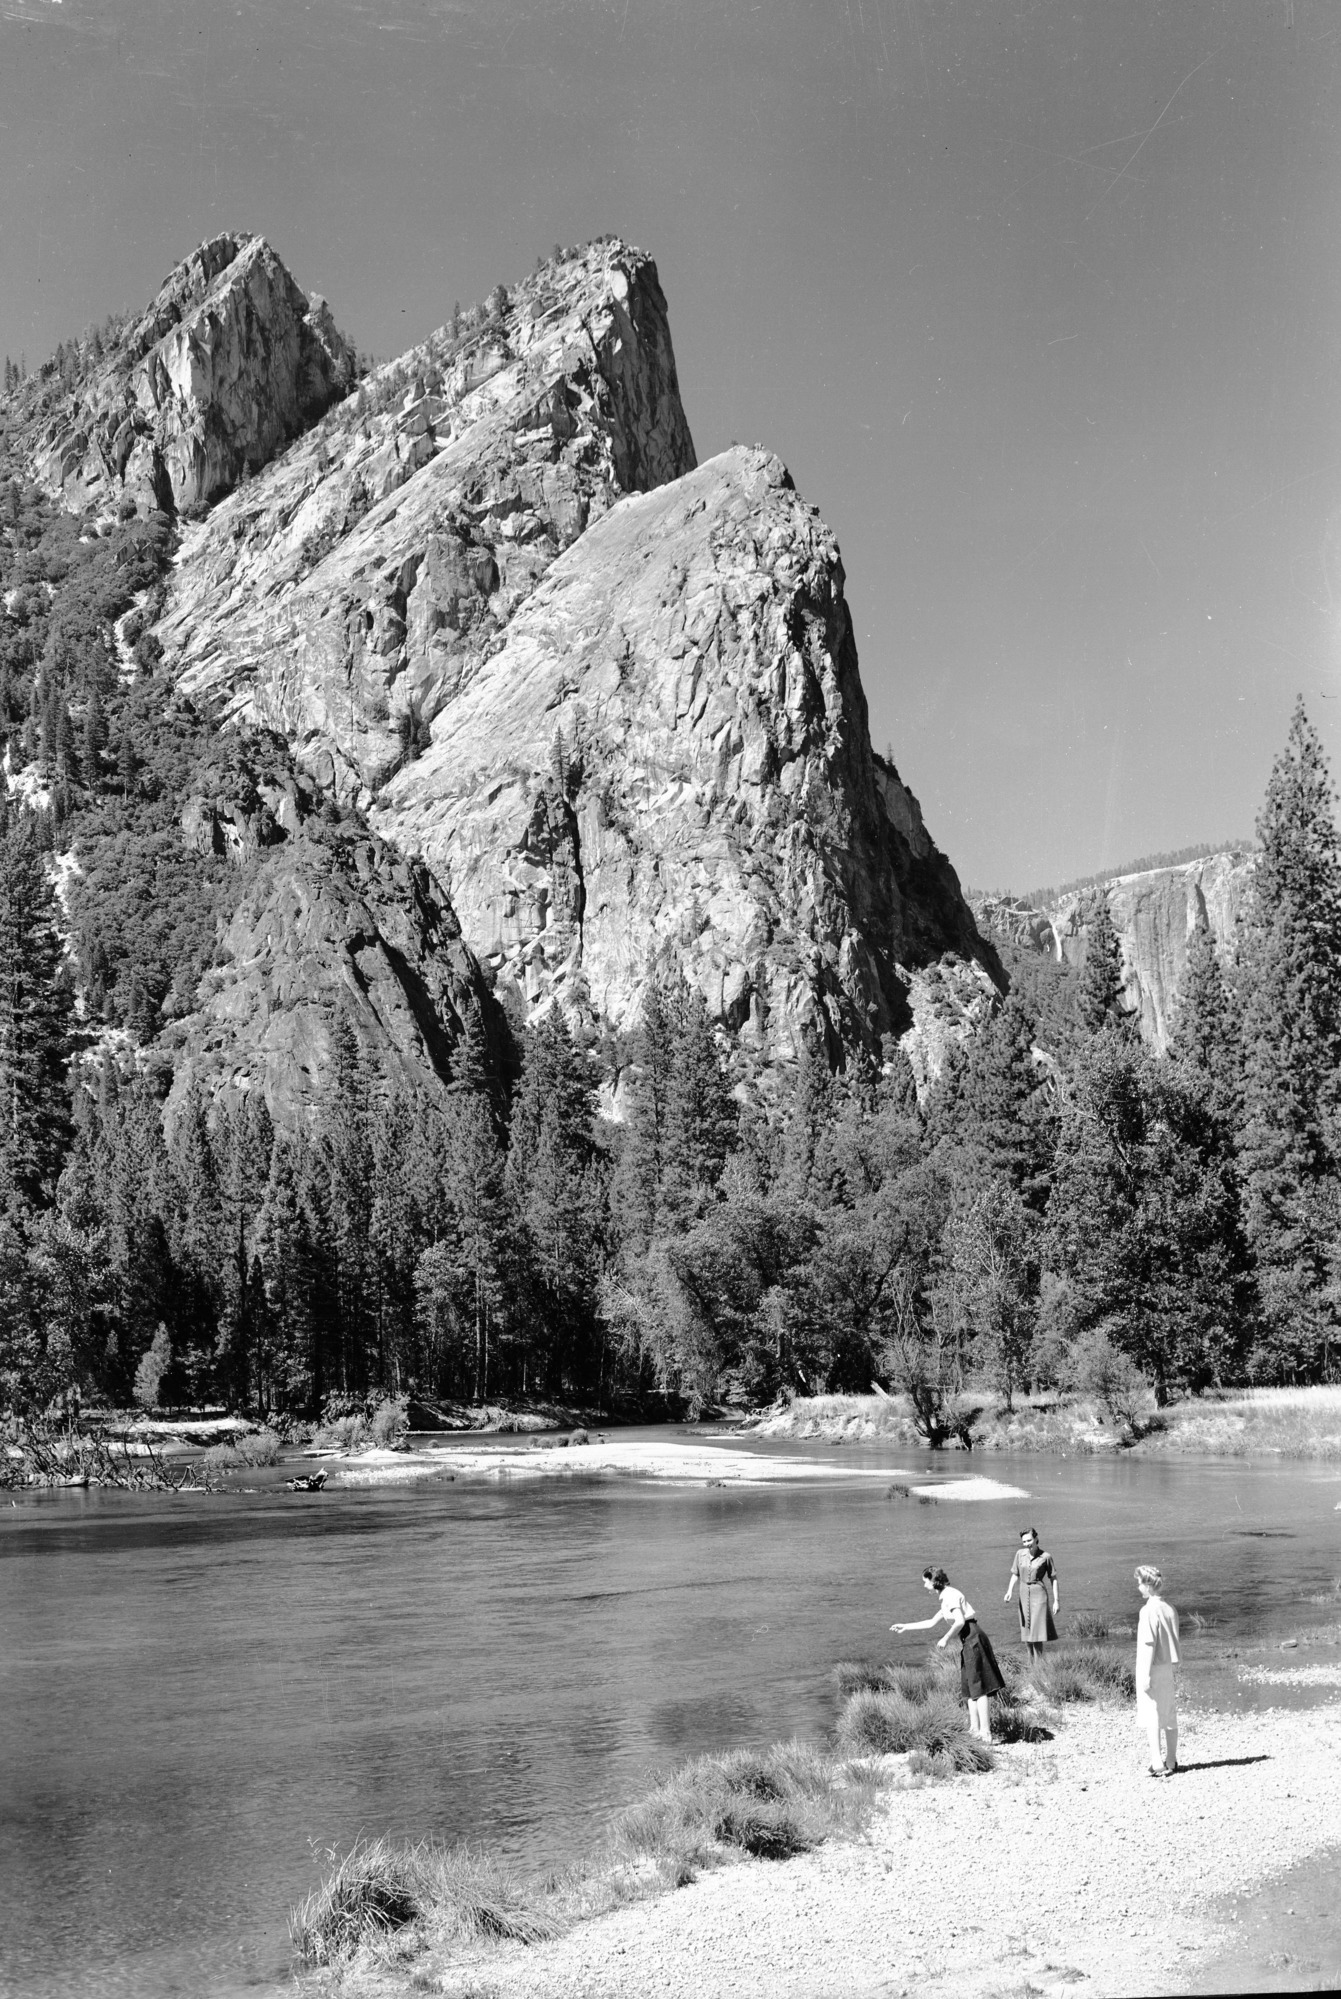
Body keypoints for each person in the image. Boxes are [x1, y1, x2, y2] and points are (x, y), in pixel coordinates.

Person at [891, 1565, 1006, 1742]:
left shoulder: (950, 1596)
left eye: (925, 1581)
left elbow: (960, 1621)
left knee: (978, 1686)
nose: (924, 1586)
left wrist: (945, 1638)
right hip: (968, 1639)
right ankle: (974, 1729)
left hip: (973, 1637)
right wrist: (905, 1626)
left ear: (933, 1580)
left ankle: (986, 1732)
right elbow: (931, 1622)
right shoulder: (945, 1596)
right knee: (969, 1686)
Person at [1134, 1564, 1180, 1776]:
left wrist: (1144, 1675)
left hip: (1151, 1666)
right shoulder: (1170, 1608)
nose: (1138, 1587)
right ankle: (1171, 1760)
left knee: (1151, 1714)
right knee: (1169, 1712)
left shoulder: (1147, 1611)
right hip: (1167, 1667)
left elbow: (1148, 1645)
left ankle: (1156, 1761)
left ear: (1148, 1585)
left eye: (1140, 1583)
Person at [1004, 1525, 1060, 1660]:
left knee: (1037, 1633)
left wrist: (1056, 1601)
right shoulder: (1019, 1554)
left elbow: (1053, 1579)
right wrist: (1009, 1591)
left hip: (1039, 1595)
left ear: (1036, 1539)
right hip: (1023, 1595)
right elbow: (1015, 1574)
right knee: (1026, 1633)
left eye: (1029, 1540)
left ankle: (1039, 1668)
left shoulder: (1046, 1556)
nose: (1026, 1544)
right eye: (1024, 1542)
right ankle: (1030, 1665)